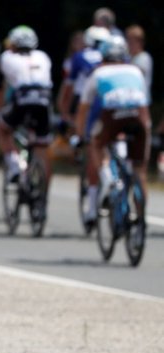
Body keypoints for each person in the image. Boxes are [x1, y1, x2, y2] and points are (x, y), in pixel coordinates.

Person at [74, 35, 150, 227]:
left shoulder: (98, 73)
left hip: (112, 114)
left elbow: (83, 110)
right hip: (138, 115)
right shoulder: (135, 70)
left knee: (96, 143)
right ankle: (141, 217)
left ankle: (107, 178)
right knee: (139, 169)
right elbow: (144, 103)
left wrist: (80, 136)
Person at [0, 26, 54, 190]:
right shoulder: (43, 56)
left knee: (3, 128)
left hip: (22, 99)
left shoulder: (6, 57)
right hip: (44, 99)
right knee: (42, 147)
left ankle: (15, 165)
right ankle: (43, 195)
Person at [125, 25, 152, 101]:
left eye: (132, 41)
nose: (128, 44)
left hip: (141, 100)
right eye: (128, 40)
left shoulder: (145, 57)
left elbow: (137, 74)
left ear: (140, 42)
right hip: (129, 99)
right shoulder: (127, 56)